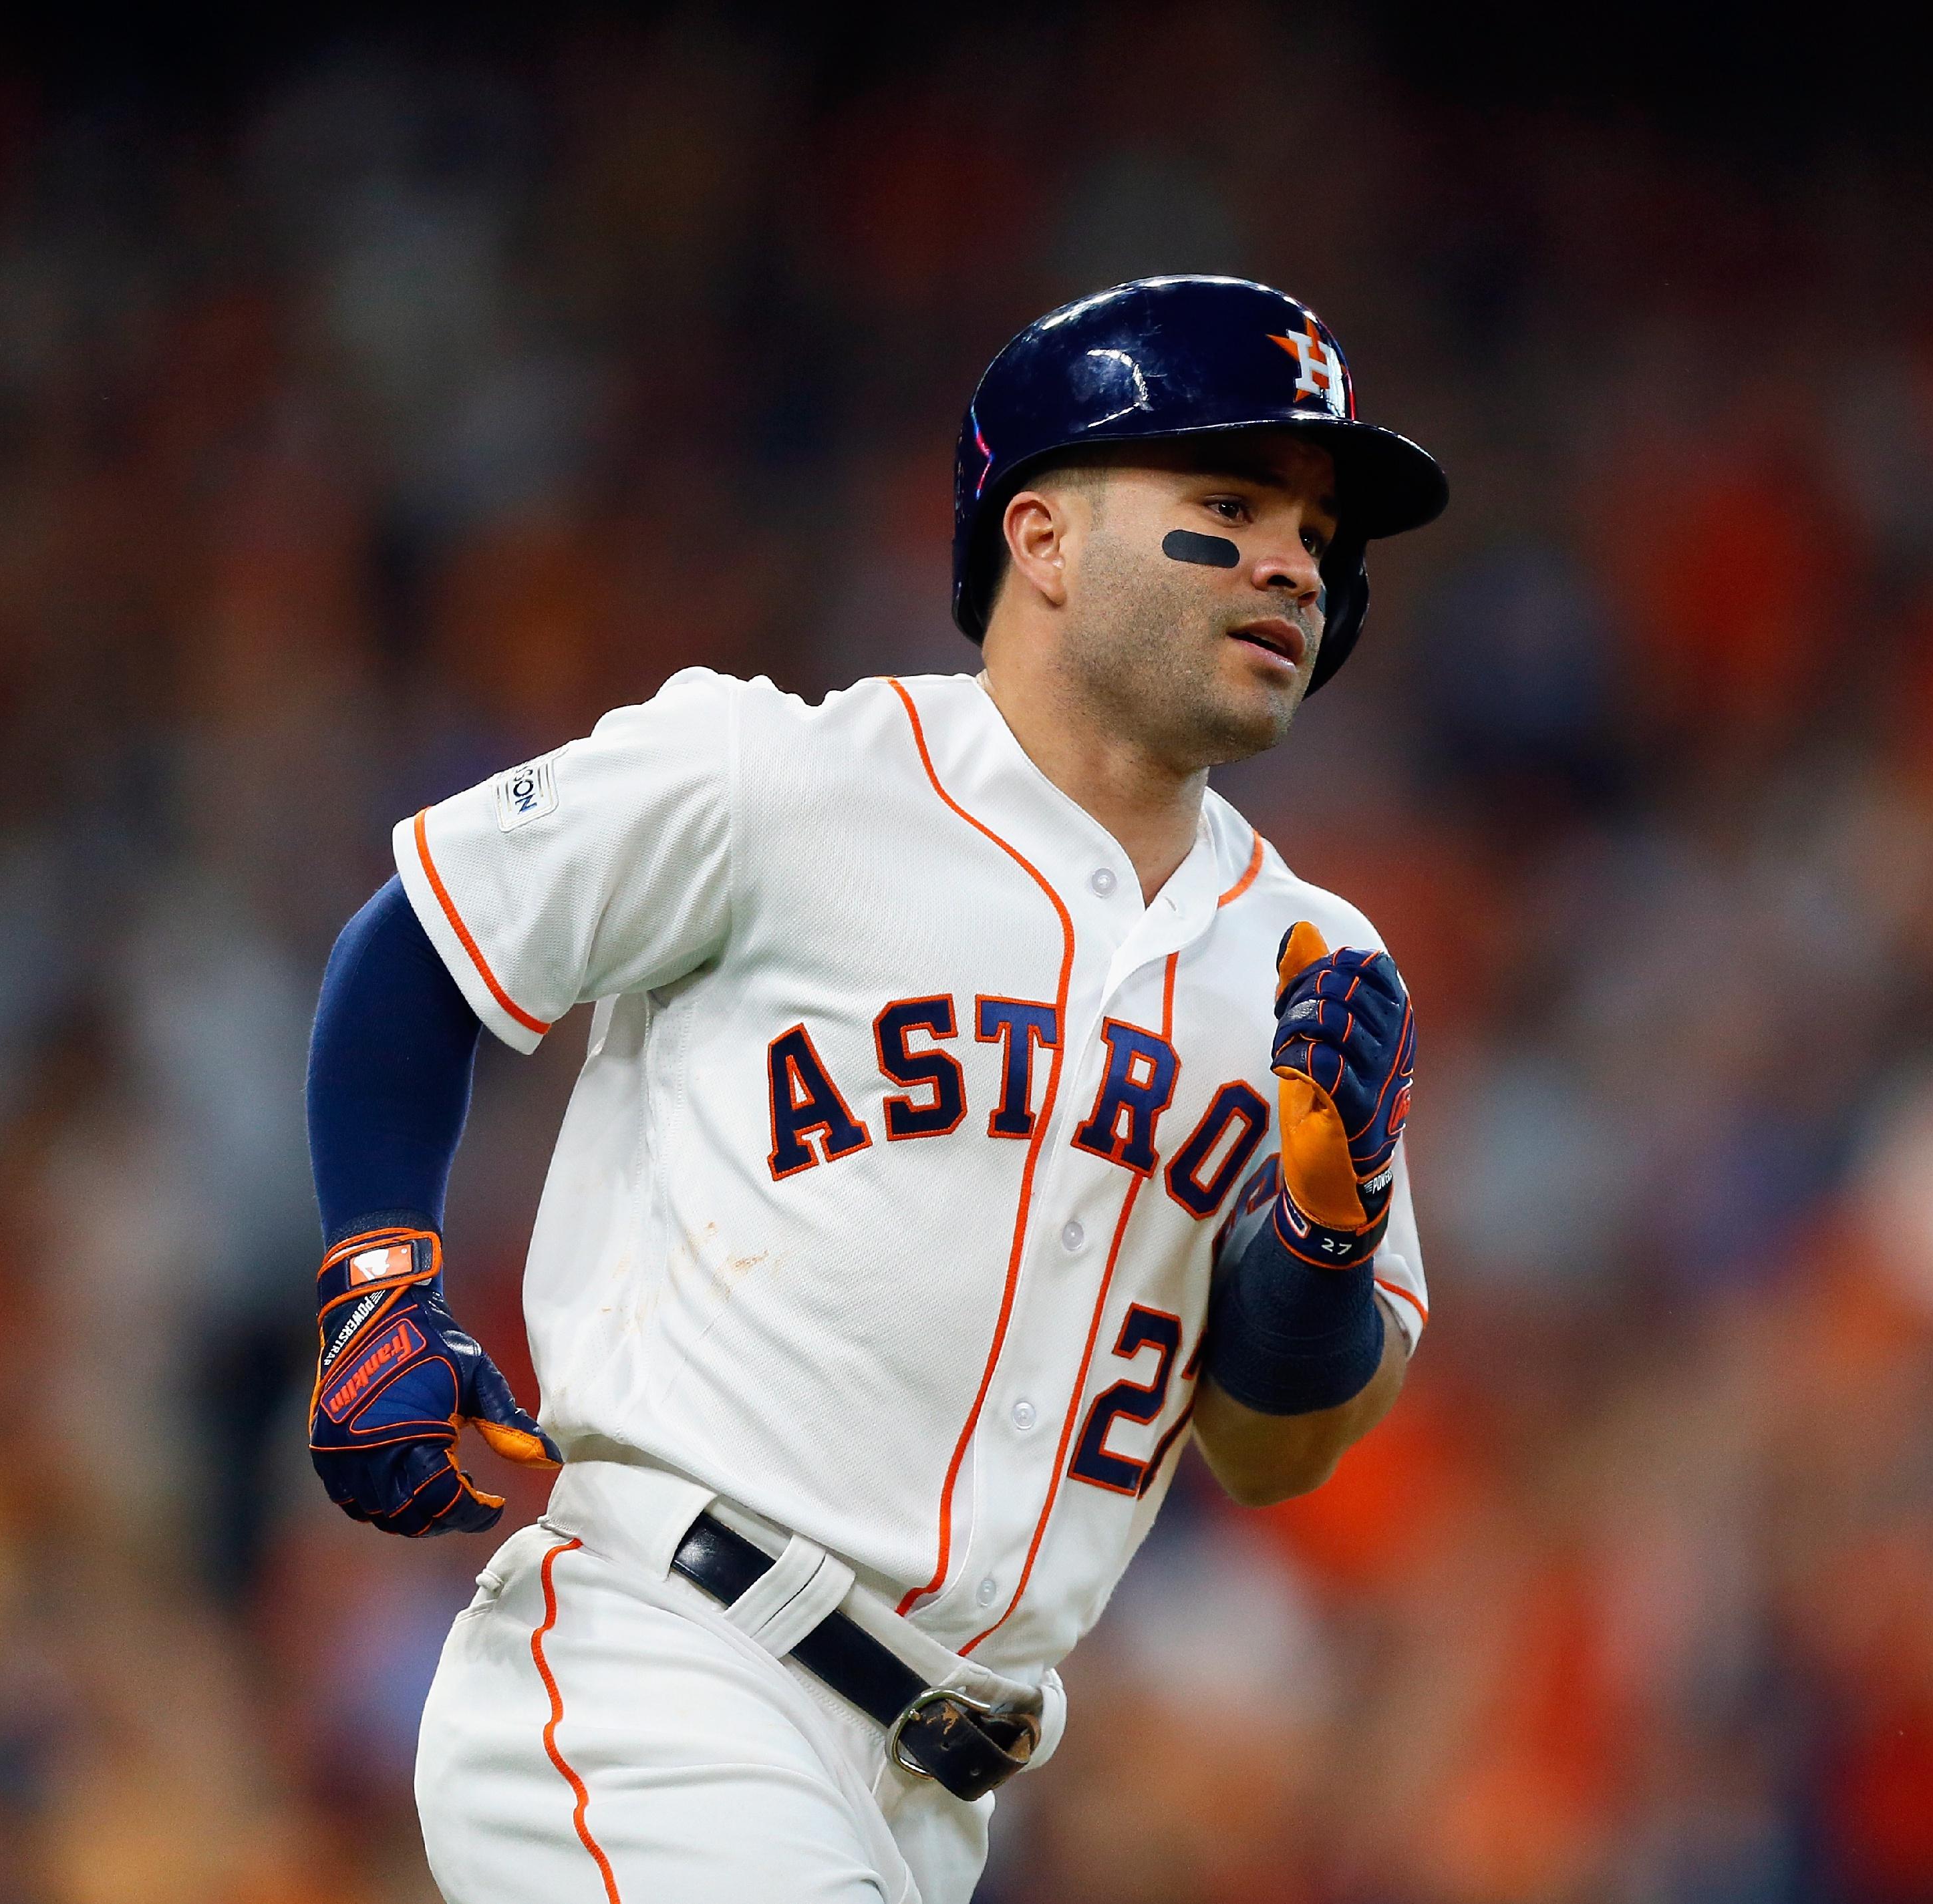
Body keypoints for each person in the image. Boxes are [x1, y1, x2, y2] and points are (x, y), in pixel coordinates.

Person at [301, 275, 1446, 1903]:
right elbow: (421, 937)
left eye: (1320, 533)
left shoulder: (1316, 966)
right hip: (665, 1677)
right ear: (1041, 539)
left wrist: (1323, 1243)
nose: (1295, 561)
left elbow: (1278, 1450)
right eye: (1230, 501)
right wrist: (375, 1273)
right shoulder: (783, 778)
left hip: (934, 1799)